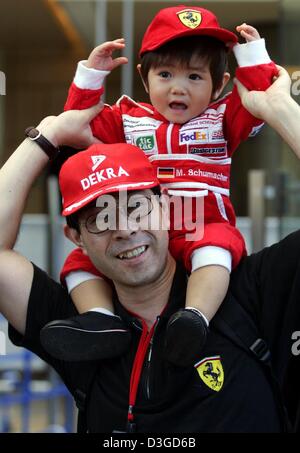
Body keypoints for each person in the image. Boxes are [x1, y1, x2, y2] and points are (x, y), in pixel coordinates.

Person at [1, 66, 300, 432]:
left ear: (166, 208)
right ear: (75, 237)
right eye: (100, 218)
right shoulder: (81, 329)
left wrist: (280, 109)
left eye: (136, 206)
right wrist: (49, 132)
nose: (124, 229)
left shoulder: (249, 291)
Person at [41, 5, 278, 366]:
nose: (178, 88)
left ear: (220, 85)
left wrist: (254, 56)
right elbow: (78, 126)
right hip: (145, 229)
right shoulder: (127, 118)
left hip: (202, 223)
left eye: (195, 77)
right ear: (144, 76)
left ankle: (194, 318)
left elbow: (264, 99)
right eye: (165, 74)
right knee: (80, 259)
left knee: (218, 247)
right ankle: (100, 321)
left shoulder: (224, 118)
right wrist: (90, 76)